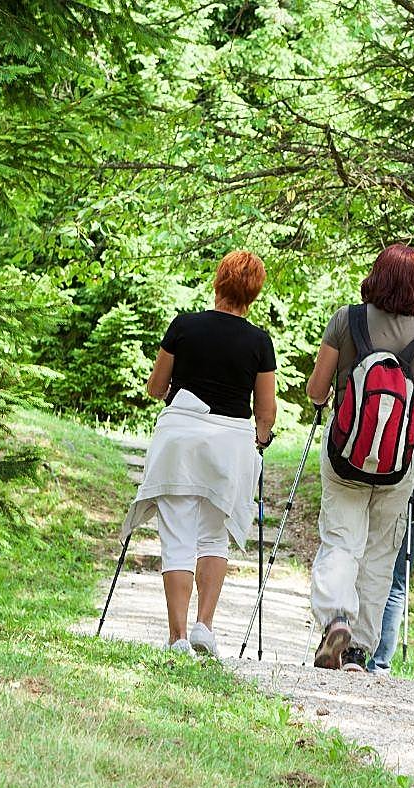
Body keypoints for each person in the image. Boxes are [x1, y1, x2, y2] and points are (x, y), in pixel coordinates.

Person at [305, 244, 414, 672]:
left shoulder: (346, 320)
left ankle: (335, 618)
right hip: (399, 463)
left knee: (341, 540)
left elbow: (316, 389)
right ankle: (359, 649)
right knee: (381, 552)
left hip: (345, 453)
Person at [135, 250, 277, 658]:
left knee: (177, 537)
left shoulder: (183, 326)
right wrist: (261, 441)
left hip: (179, 439)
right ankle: (204, 626)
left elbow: (156, 387)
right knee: (214, 537)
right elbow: (263, 413)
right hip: (229, 445)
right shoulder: (259, 342)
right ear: (254, 293)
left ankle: (177, 636)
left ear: (218, 282)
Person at [366, 494, 414, 675]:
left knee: (364, 570)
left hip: (383, 491)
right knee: (397, 584)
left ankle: (351, 652)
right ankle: (379, 663)